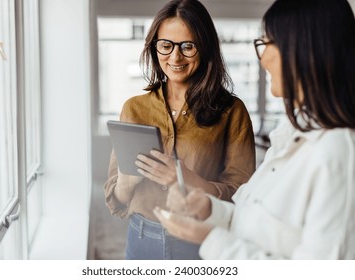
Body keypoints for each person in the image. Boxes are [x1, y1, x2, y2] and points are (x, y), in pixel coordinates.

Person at [154, 0, 355, 259]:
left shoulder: (339, 152)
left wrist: (212, 240)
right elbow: (254, 218)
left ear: (309, 51)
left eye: (270, 42)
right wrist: (210, 209)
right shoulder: (289, 137)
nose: (264, 59)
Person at [104, 0, 256, 260]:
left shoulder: (232, 111)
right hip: (140, 239)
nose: (175, 57)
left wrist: (185, 179)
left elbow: (243, 196)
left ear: (205, 48)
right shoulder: (134, 108)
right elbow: (115, 201)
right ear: (154, 47)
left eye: (188, 46)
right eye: (166, 46)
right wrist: (126, 185)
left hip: (200, 242)